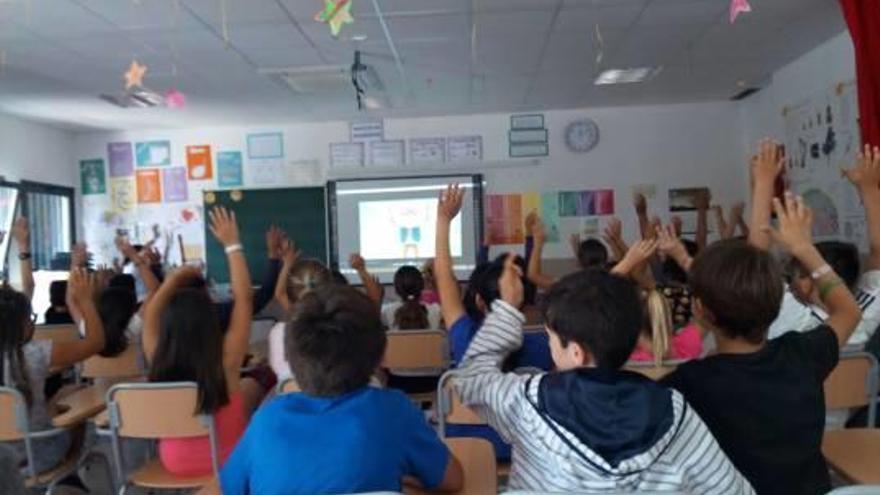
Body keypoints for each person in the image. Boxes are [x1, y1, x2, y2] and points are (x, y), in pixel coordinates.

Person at [455, 252, 752, 493]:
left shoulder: (526, 401)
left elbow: (470, 379)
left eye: (550, 338)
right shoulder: (674, 410)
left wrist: (507, 308)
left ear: (576, 352)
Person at [661, 140, 862, 494]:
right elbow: (848, 309)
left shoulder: (687, 383)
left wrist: (763, 185)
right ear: (776, 304)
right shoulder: (803, 354)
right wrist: (803, 247)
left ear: (700, 310)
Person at [219, 284, 464, 494]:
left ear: (292, 360)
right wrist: (411, 480)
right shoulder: (393, 411)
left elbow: (228, 488)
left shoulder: (267, 420)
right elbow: (453, 480)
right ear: (380, 357)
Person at [143, 206, 263, 476]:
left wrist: (174, 279)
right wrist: (232, 245)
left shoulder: (157, 356)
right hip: (229, 462)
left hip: (174, 462)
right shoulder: (227, 361)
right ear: (209, 320)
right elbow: (244, 298)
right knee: (251, 389)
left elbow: (151, 313)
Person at [0, 219, 106, 473]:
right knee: (79, 415)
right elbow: (96, 342)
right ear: (22, 324)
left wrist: (23, 247)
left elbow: (25, 290)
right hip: (35, 455)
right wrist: (87, 302)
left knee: (58, 396)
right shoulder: (35, 353)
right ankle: (71, 475)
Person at [769, 144, 880, 346]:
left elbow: (758, 270)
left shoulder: (798, 323)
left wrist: (761, 183)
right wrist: (870, 189)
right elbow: (878, 255)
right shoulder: (864, 319)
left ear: (806, 283)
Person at [267, 242, 334, 382]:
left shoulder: (281, 331)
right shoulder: (341, 327)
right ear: (331, 290)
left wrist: (287, 263)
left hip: (290, 398)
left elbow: (279, 294)